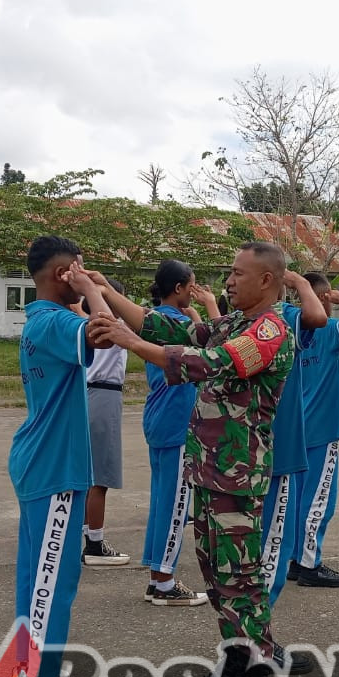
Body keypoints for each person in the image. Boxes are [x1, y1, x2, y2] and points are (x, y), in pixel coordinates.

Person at [89, 242, 301, 677]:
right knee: (219, 578)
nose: (229, 281)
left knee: (241, 580)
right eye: (230, 272)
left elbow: (211, 362)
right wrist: (104, 291)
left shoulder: (270, 330)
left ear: (266, 280)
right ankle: (234, 664)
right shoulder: (237, 322)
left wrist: (130, 343)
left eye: (238, 273)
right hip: (209, 472)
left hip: (238, 476)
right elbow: (171, 328)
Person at [7, 236, 110, 677]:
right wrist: (91, 290)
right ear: (61, 273)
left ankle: (30, 670)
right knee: (53, 579)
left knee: (36, 577)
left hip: (43, 461)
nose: (84, 273)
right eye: (78, 267)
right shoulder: (55, 321)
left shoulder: (41, 320)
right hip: (54, 465)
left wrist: (85, 288)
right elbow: (105, 332)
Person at [138, 260, 211, 607]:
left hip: (158, 416)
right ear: (179, 288)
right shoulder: (180, 324)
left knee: (161, 500)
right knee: (176, 505)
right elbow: (212, 350)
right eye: (191, 285)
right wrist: (200, 314)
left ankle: (157, 576)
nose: (194, 292)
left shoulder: (153, 321)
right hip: (178, 421)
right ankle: (164, 581)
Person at [288, 272, 339, 588]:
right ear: (322, 299)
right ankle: (309, 564)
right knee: (319, 500)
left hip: (296, 429)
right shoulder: (328, 330)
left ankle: (296, 559)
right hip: (322, 428)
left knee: (297, 500)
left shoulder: (293, 329)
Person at [259, 271, 327, 607]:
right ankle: (256, 629)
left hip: (251, 444)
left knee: (256, 538)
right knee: (274, 540)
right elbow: (318, 317)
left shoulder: (239, 321)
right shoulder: (282, 318)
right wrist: (299, 283)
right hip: (280, 444)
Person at [81, 277, 132, 568]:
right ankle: (95, 544)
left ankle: (86, 534)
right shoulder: (115, 325)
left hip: (86, 393)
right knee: (101, 477)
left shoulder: (85, 325)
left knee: (88, 473)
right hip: (105, 394)